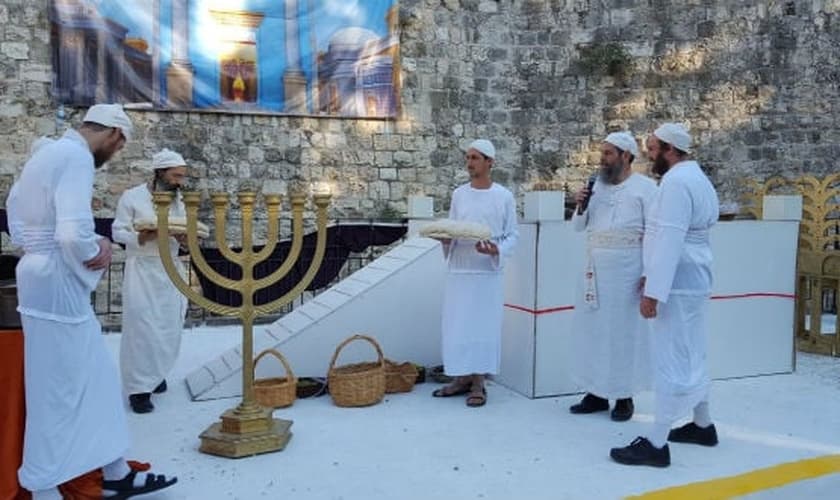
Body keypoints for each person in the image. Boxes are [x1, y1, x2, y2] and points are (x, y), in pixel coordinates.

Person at [7, 104, 177, 498]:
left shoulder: (44, 154)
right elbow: (72, 234)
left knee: (73, 381)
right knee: (76, 384)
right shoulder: (76, 157)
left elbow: (17, 221)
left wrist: (44, 246)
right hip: (58, 283)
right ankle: (61, 477)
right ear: (115, 134)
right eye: (117, 149)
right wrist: (96, 246)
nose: (113, 155)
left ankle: (110, 469)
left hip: (35, 276)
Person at [610, 123, 720, 467]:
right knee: (692, 351)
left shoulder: (676, 183)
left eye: (654, 148)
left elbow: (669, 239)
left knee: (671, 357)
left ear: (671, 149)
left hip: (677, 282)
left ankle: (657, 442)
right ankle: (703, 425)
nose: (649, 155)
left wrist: (654, 292)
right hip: (693, 276)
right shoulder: (698, 179)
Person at [569, 132, 657, 422]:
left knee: (623, 334)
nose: (602, 159)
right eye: (602, 153)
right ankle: (595, 393)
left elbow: (655, 234)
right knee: (594, 331)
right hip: (595, 271)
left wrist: (648, 273)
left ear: (626, 156)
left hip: (628, 272)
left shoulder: (646, 188)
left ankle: (623, 396)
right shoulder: (597, 187)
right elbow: (579, 227)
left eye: (608, 154)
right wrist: (580, 204)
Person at [431, 139, 518, 407]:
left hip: (486, 275)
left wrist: (496, 251)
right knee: (457, 326)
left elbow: (513, 234)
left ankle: (479, 382)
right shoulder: (459, 194)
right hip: (460, 270)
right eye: (468, 158)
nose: (469, 163)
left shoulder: (503, 196)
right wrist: (446, 240)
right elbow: (454, 228)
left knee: (482, 327)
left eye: (475, 158)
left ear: (490, 162)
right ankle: (460, 378)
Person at [112, 149, 189, 414]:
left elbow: (185, 228)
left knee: (168, 325)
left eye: (182, 176)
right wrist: (143, 236)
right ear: (160, 173)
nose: (180, 181)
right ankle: (138, 389)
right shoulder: (132, 197)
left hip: (170, 269)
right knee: (142, 328)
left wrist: (185, 239)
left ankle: (155, 374)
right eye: (176, 176)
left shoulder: (179, 200)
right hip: (143, 268)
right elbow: (118, 230)